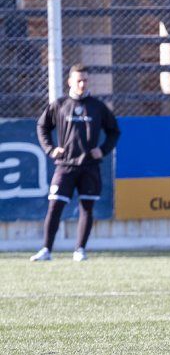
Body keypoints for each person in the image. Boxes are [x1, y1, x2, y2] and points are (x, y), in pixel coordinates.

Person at [31, 64, 120, 262]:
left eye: (85, 80)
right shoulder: (60, 104)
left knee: (87, 207)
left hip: (89, 166)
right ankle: (46, 249)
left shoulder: (97, 106)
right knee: (54, 206)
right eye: (78, 80)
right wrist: (51, 149)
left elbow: (114, 131)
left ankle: (79, 249)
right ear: (70, 81)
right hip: (65, 165)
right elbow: (42, 126)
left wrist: (103, 150)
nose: (82, 83)